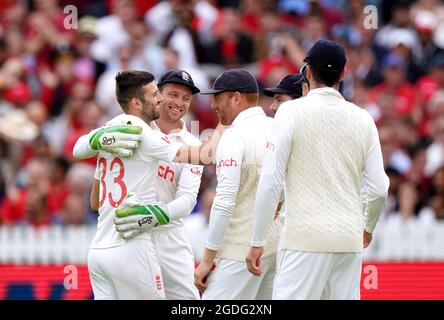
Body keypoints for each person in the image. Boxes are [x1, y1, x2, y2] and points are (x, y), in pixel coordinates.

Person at [246, 40, 390, 300]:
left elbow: (271, 180)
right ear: (344, 73)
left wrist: (257, 240)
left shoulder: (290, 112)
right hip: (348, 240)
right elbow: (380, 188)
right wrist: (367, 227)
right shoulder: (364, 118)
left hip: (304, 239)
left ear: (308, 73)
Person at [72, 70, 223, 300]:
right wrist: (228, 122)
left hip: (160, 238)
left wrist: (153, 215)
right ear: (157, 95)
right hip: (131, 241)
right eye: (171, 94)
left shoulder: (117, 127)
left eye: (186, 98)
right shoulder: (136, 131)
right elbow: (95, 199)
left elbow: (187, 200)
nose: (178, 103)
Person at [193, 69, 281, 300]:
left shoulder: (233, 137)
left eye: (217, 97)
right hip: (274, 248)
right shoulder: (278, 128)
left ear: (235, 98)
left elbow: (224, 202)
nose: (213, 105)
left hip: (239, 252)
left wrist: (207, 260)